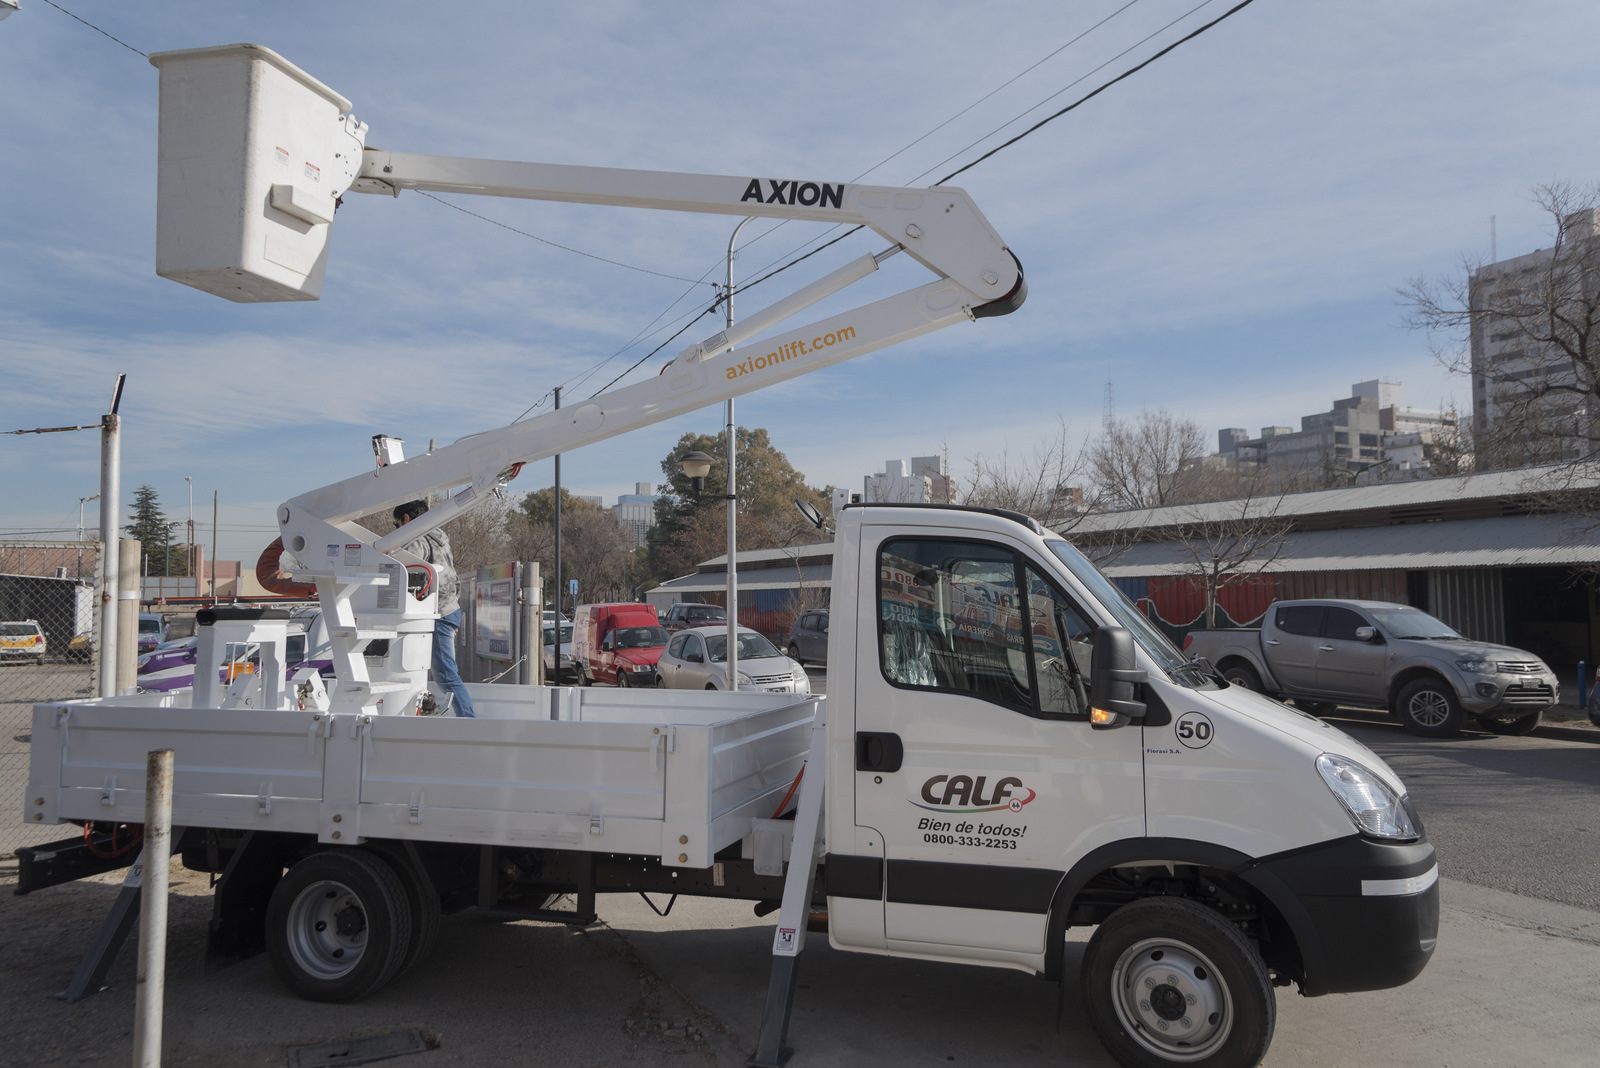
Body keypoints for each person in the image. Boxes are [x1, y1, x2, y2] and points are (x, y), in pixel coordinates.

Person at [393, 499, 475, 718]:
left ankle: (470, 722)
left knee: (447, 677)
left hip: (438, 613)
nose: (397, 529)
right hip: (450, 609)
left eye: (396, 524)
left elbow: (400, 571)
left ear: (407, 519)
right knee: (447, 674)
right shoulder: (439, 537)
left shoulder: (417, 540)